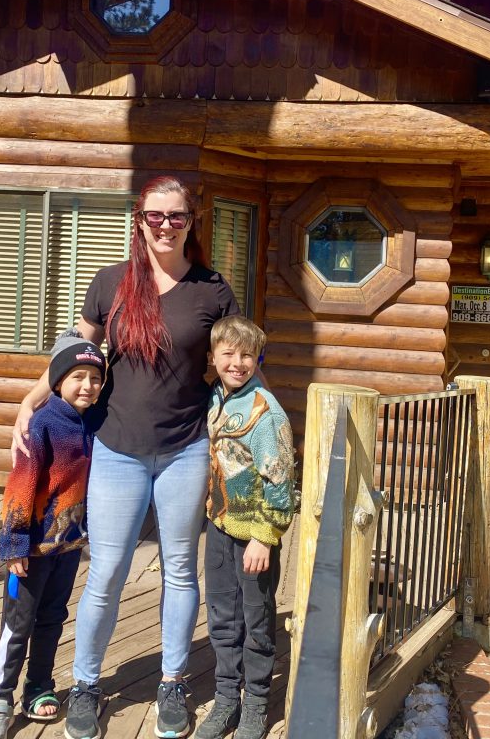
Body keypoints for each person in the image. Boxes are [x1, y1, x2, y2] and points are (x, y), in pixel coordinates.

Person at [11, 176, 239, 739]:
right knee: (107, 571)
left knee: (180, 572)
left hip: (186, 447)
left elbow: (238, 362)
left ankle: (172, 682)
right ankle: (87, 684)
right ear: (139, 220)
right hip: (116, 449)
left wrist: (263, 427)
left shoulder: (213, 289)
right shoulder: (111, 283)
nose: (166, 226)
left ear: (192, 221)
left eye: (177, 217)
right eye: (156, 216)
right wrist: (31, 398)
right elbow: (74, 352)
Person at [0, 330, 107, 739]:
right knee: (18, 622)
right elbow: (20, 485)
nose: (88, 386)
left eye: (95, 378)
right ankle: (1, 697)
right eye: (78, 377)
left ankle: (39, 687)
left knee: (52, 617)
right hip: (31, 548)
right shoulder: (43, 423)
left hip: (67, 546)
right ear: (56, 381)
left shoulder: (92, 421)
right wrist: (14, 542)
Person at [196, 316, 295, 739]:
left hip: (253, 536)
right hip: (218, 527)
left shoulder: (265, 412)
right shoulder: (217, 399)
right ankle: (225, 701)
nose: (238, 363)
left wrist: (264, 535)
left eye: (247, 355)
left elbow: (281, 479)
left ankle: (255, 702)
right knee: (221, 616)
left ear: (258, 359)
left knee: (255, 619)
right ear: (214, 357)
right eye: (229, 354)